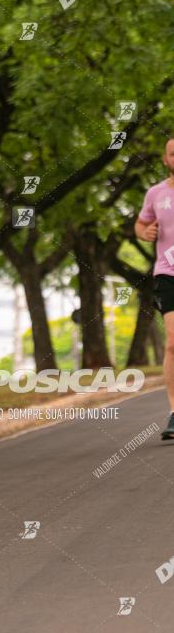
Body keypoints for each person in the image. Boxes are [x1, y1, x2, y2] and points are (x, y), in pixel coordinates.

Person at [135, 137, 174, 440]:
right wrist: (145, 232)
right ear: (165, 159)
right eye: (173, 154)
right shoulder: (155, 193)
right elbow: (141, 224)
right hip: (168, 273)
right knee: (173, 343)